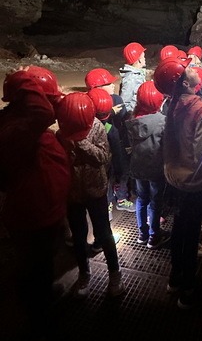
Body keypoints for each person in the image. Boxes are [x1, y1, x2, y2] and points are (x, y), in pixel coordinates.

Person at [0, 68, 70, 338]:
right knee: (34, 267)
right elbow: (43, 112)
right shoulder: (19, 128)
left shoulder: (17, 123)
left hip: (40, 209)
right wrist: (27, 79)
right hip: (33, 213)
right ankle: (40, 320)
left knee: (40, 263)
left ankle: (42, 296)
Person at [155, 58, 202, 309]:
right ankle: (188, 290)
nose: (194, 69)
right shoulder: (201, 109)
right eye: (188, 70)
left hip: (174, 177)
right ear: (185, 83)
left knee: (179, 230)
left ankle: (175, 279)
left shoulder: (173, 104)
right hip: (192, 181)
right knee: (190, 233)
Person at [56, 92, 125, 298]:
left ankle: (115, 274)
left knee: (104, 233)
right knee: (78, 236)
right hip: (73, 193)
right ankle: (84, 273)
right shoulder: (62, 132)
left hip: (96, 190)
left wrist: (82, 144)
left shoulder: (96, 127)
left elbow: (104, 157)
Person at [125, 81, 171, 249]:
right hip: (156, 168)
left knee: (141, 199)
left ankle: (142, 234)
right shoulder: (163, 121)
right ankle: (154, 236)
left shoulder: (133, 119)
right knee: (155, 201)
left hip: (138, 168)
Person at [85, 68, 135, 213]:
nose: (113, 85)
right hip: (107, 146)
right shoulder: (94, 103)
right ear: (97, 87)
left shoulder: (113, 100)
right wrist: (110, 113)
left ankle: (115, 200)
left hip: (113, 143)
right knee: (111, 173)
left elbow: (120, 123)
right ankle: (112, 201)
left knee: (116, 172)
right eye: (108, 83)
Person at [119, 42, 147, 115]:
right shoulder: (131, 78)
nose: (145, 59)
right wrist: (130, 117)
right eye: (143, 57)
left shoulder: (137, 74)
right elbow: (124, 102)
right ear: (139, 60)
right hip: (133, 115)